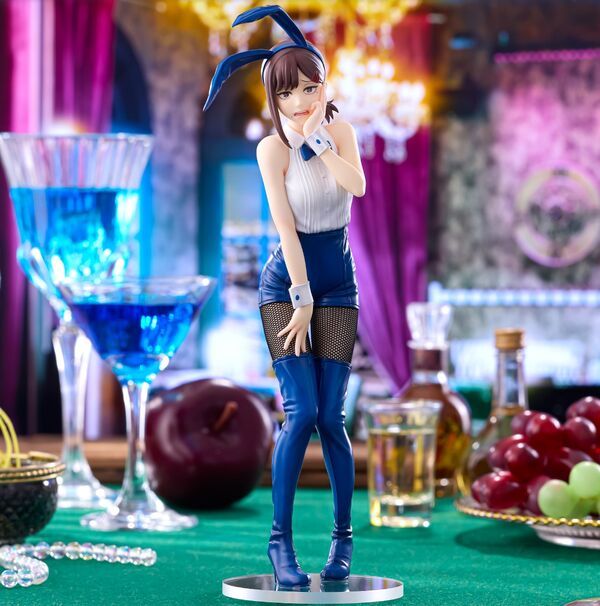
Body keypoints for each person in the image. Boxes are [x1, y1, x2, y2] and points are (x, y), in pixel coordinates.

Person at [204, 5, 365, 589]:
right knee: (301, 415)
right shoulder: (270, 150)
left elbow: (357, 186)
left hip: (338, 284)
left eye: (309, 87)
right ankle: (280, 545)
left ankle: (342, 542)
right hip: (286, 287)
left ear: (324, 85)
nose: (300, 101)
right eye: (287, 92)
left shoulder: (341, 132)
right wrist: (301, 297)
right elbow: (286, 230)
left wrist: (321, 145)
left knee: (332, 417)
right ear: (273, 98)